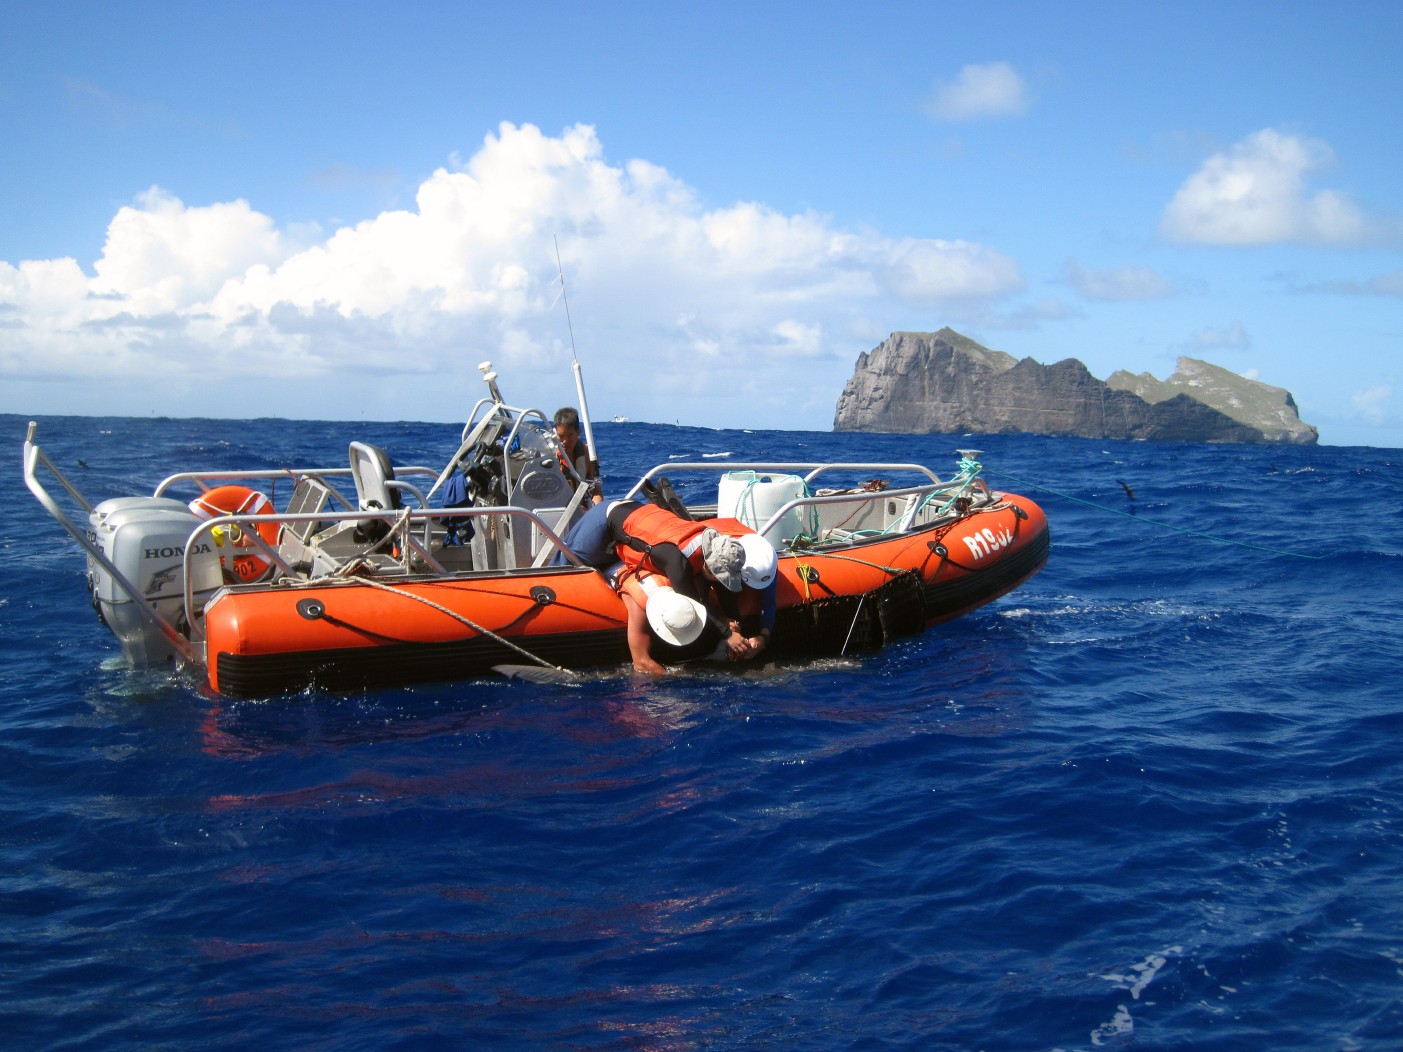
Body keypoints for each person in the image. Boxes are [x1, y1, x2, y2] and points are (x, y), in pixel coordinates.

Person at [559, 499, 779, 662]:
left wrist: (732, 619)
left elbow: (722, 587)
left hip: (639, 514)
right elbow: (695, 604)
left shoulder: (713, 543)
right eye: (718, 576)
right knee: (564, 567)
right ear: (705, 565)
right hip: (606, 520)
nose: (721, 582)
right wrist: (727, 634)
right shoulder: (678, 563)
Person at [552, 407, 601, 504]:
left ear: (578, 432)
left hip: (583, 510)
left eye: (570, 436)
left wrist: (596, 509)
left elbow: (596, 492)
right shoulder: (550, 456)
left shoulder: (588, 453)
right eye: (561, 436)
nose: (565, 441)